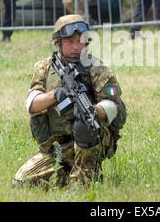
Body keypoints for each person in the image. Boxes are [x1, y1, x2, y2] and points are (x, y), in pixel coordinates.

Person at [12, 14, 127, 188]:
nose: (76, 47)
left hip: (92, 141)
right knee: (21, 183)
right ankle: (66, 173)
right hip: (57, 148)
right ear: (58, 43)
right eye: (70, 42)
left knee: (84, 125)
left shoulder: (98, 70)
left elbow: (113, 106)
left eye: (80, 41)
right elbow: (32, 104)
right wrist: (56, 95)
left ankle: (84, 179)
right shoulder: (44, 68)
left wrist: (94, 111)